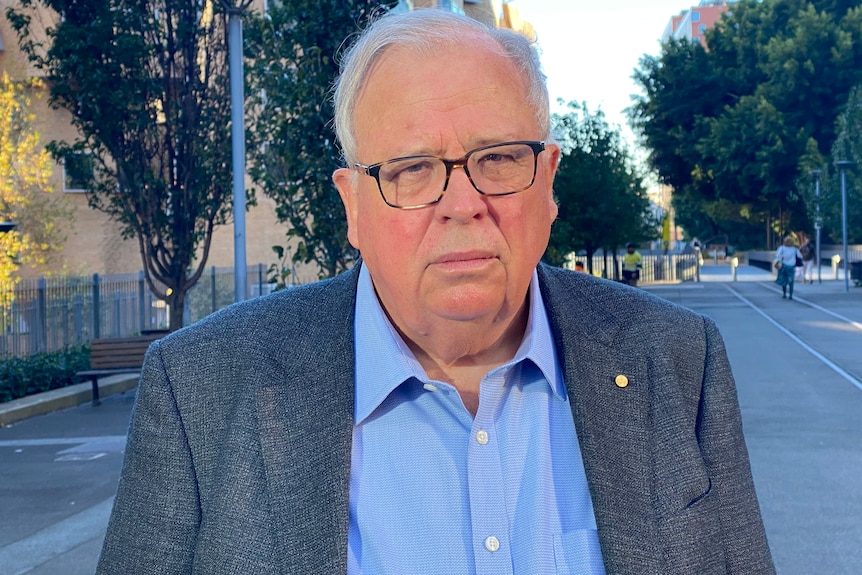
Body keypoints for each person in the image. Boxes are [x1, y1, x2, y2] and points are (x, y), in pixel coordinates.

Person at [97, 9, 775, 575]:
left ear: (548, 180)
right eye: (413, 168)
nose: (463, 202)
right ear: (353, 206)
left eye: (500, 158)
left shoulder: (678, 362)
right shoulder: (200, 390)